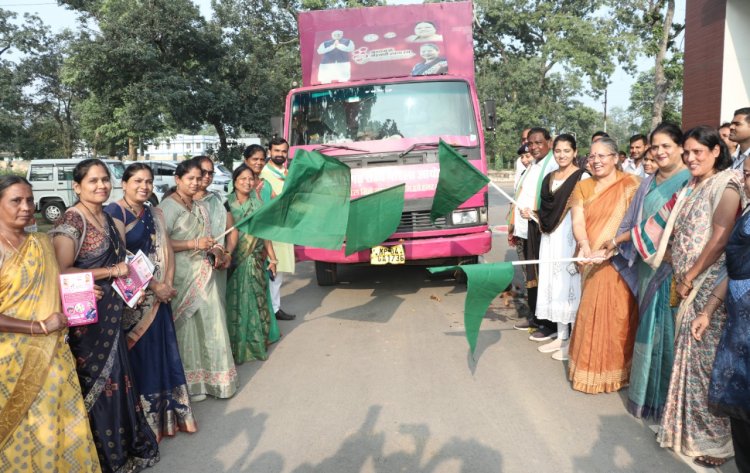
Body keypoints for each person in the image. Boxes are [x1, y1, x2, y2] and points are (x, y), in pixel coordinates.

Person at [634, 126, 739, 466]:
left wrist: (691, 277)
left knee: (705, 366)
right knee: (687, 362)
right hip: (686, 285)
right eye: (688, 152)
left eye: (699, 152)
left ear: (716, 152)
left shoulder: (728, 185)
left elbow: (720, 239)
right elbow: (659, 226)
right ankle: (685, 432)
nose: (692, 158)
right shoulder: (691, 186)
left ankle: (716, 441)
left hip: (709, 288)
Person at [50, 159, 159, 472]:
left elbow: (123, 262)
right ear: (77, 186)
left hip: (112, 313)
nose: (101, 186)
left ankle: (123, 450)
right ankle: (98, 455)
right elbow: (61, 271)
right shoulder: (73, 221)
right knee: (96, 384)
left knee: (119, 380)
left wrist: (135, 285)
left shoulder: (109, 218)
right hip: (87, 320)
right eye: (92, 181)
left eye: (104, 180)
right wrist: (108, 272)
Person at [0, 175, 101, 472]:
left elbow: (52, 283)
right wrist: (38, 326)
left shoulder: (41, 241)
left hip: (53, 349)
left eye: (30, 200)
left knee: (58, 418)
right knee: (20, 426)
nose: (26, 207)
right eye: (16, 200)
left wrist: (81, 290)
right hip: (11, 357)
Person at [104, 163, 198, 440]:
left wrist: (167, 283)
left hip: (159, 296)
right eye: (137, 181)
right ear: (124, 183)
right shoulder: (115, 212)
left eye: (148, 182)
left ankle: (169, 417)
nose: (143, 186)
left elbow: (166, 248)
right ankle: (146, 420)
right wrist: (154, 286)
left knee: (163, 352)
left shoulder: (154, 212)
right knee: (142, 356)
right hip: (135, 298)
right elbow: (119, 257)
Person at [604, 123, 690, 419]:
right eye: (656, 146)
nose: (660, 151)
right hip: (645, 264)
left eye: (667, 145)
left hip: (671, 269)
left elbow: (689, 229)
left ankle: (665, 403)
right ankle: (643, 397)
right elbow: (633, 222)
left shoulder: (689, 182)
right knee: (645, 330)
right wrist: (617, 242)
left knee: (665, 333)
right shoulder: (647, 182)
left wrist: (668, 252)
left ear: (681, 148)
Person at [159, 159, 238, 401]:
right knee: (188, 329)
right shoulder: (167, 207)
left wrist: (216, 251)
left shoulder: (202, 207)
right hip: (181, 275)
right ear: (178, 179)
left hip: (205, 272)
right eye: (190, 178)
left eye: (198, 178)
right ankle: (192, 385)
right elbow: (161, 243)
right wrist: (193, 244)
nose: (195, 183)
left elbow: (210, 238)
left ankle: (215, 381)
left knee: (212, 324)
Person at [567, 138, 641, 394]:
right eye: (592, 156)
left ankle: (618, 371)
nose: (596, 161)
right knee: (591, 311)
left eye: (603, 156)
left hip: (621, 260)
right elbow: (578, 221)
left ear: (615, 157)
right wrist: (585, 246)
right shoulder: (583, 187)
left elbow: (637, 224)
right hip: (591, 259)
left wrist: (611, 249)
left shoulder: (632, 184)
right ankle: (589, 370)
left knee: (619, 314)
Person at [708, 157, 750, 473]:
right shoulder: (747, 212)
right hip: (739, 331)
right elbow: (732, 269)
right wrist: (708, 310)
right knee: (740, 414)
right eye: (747, 174)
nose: (748, 181)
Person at [535, 134, 588, 360]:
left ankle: (574, 339)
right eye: (558, 151)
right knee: (552, 283)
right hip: (550, 239)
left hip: (570, 238)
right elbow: (547, 213)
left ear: (575, 152)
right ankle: (560, 336)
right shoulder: (549, 177)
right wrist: (535, 215)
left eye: (567, 151)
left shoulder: (582, 177)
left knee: (570, 285)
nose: (562, 155)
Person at [226, 164, 281, 363]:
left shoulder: (258, 205)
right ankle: (234, 345)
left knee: (255, 301)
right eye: (243, 179)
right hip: (233, 260)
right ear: (234, 181)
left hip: (254, 259)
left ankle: (254, 344)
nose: (247, 182)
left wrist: (273, 258)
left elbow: (265, 235)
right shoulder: (227, 204)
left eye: (251, 179)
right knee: (233, 302)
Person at [514, 127, 559, 340]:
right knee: (531, 277)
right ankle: (535, 317)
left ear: (549, 142)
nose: (533, 147)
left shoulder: (552, 164)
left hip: (542, 231)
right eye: (530, 143)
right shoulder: (533, 164)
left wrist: (535, 215)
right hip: (526, 230)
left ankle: (548, 324)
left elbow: (553, 202)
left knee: (544, 278)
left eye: (538, 142)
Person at [259, 138, 297, 321]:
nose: (280, 154)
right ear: (269, 152)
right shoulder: (263, 173)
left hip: (284, 227)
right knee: (271, 269)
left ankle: (275, 307)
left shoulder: (288, 172)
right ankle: (271, 310)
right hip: (270, 227)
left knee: (278, 271)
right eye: (276, 151)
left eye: (283, 151)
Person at [193, 156, 235, 302]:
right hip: (187, 268)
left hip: (215, 264)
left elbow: (232, 230)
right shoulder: (178, 200)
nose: (207, 176)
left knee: (213, 313)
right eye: (203, 172)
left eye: (211, 173)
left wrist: (228, 254)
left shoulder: (219, 200)